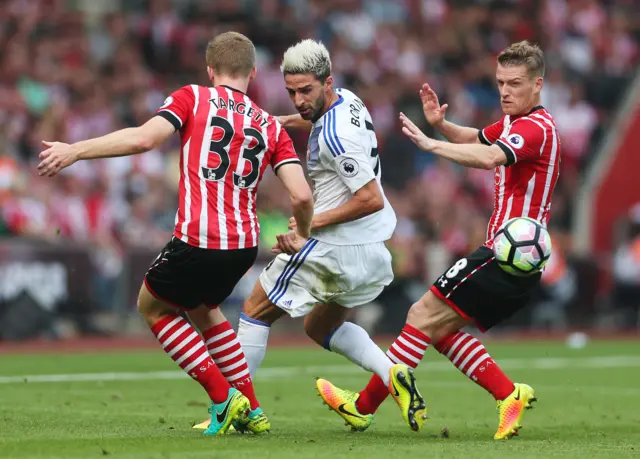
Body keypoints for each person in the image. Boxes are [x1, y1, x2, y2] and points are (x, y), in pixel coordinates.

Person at [36, 32, 314, 436]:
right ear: (253, 73)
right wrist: (302, 235)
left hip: (199, 236)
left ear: (209, 69)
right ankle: (252, 408)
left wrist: (76, 150)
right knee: (204, 309)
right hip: (243, 245)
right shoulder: (269, 124)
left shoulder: (193, 97)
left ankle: (224, 399)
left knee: (152, 306)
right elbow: (302, 194)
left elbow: (144, 139)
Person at [317, 40, 561, 440]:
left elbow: (490, 157)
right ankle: (507, 394)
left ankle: (363, 407)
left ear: (537, 85)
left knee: (420, 316)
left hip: (507, 254)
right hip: (517, 259)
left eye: (514, 83)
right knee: (440, 330)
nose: (504, 91)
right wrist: (441, 125)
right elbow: (480, 139)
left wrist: (433, 146)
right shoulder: (518, 122)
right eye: (500, 82)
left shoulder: (536, 127)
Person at [195, 39, 427, 433]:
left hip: (337, 247)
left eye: (306, 91)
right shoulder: (349, 101)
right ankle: (392, 374)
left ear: (327, 81)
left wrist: (311, 224)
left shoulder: (339, 140)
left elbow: (370, 198)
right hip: (371, 253)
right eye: (292, 91)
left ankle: (239, 410)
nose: (299, 99)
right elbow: (318, 118)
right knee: (319, 327)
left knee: (254, 308)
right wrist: (282, 121)